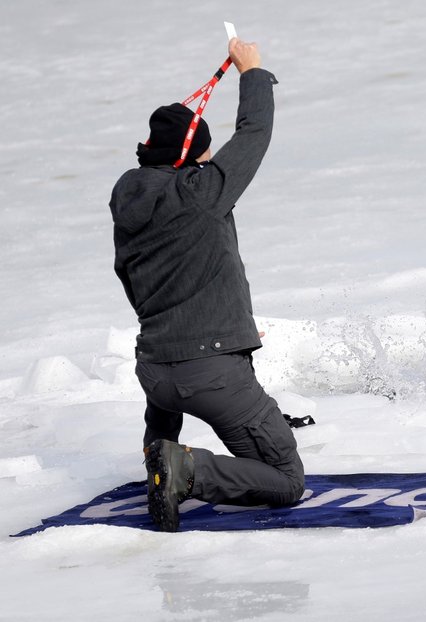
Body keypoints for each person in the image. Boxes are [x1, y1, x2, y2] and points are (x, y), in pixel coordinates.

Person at [109, 38, 304, 532]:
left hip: (155, 372)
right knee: (285, 478)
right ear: (191, 156)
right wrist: (253, 72)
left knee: (174, 426)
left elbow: (134, 286)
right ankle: (184, 470)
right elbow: (254, 132)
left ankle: (162, 458)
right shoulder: (200, 192)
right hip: (211, 374)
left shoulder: (127, 200)